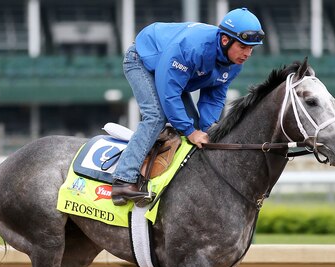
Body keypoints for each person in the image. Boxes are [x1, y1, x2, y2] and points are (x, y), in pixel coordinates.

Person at [111, 7, 265, 206]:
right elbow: (169, 93)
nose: (248, 54)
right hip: (142, 60)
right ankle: (123, 180)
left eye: (252, 48)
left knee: (199, 130)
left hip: (175, 75)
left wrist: (209, 129)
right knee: (157, 117)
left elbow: (214, 96)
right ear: (225, 40)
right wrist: (190, 131)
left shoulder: (235, 63)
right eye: (244, 47)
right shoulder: (192, 48)